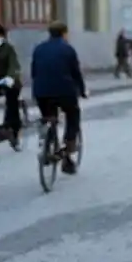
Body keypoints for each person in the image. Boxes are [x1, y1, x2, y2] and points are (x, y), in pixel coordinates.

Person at [31, 21, 88, 175]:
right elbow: (76, 73)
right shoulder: (68, 49)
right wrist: (82, 90)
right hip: (64, 91)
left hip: (41, 92)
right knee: (73, 113)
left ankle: (48, 144)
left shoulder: (38, 49)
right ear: (64, 33)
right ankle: (69, 146)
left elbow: (34, 72)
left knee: (49, 117)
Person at [0, 21, 22, 146]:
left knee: (12, 98)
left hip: (6, 80)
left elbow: (14, 64)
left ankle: (12, 127)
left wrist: (10, 77)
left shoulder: (8, 49)